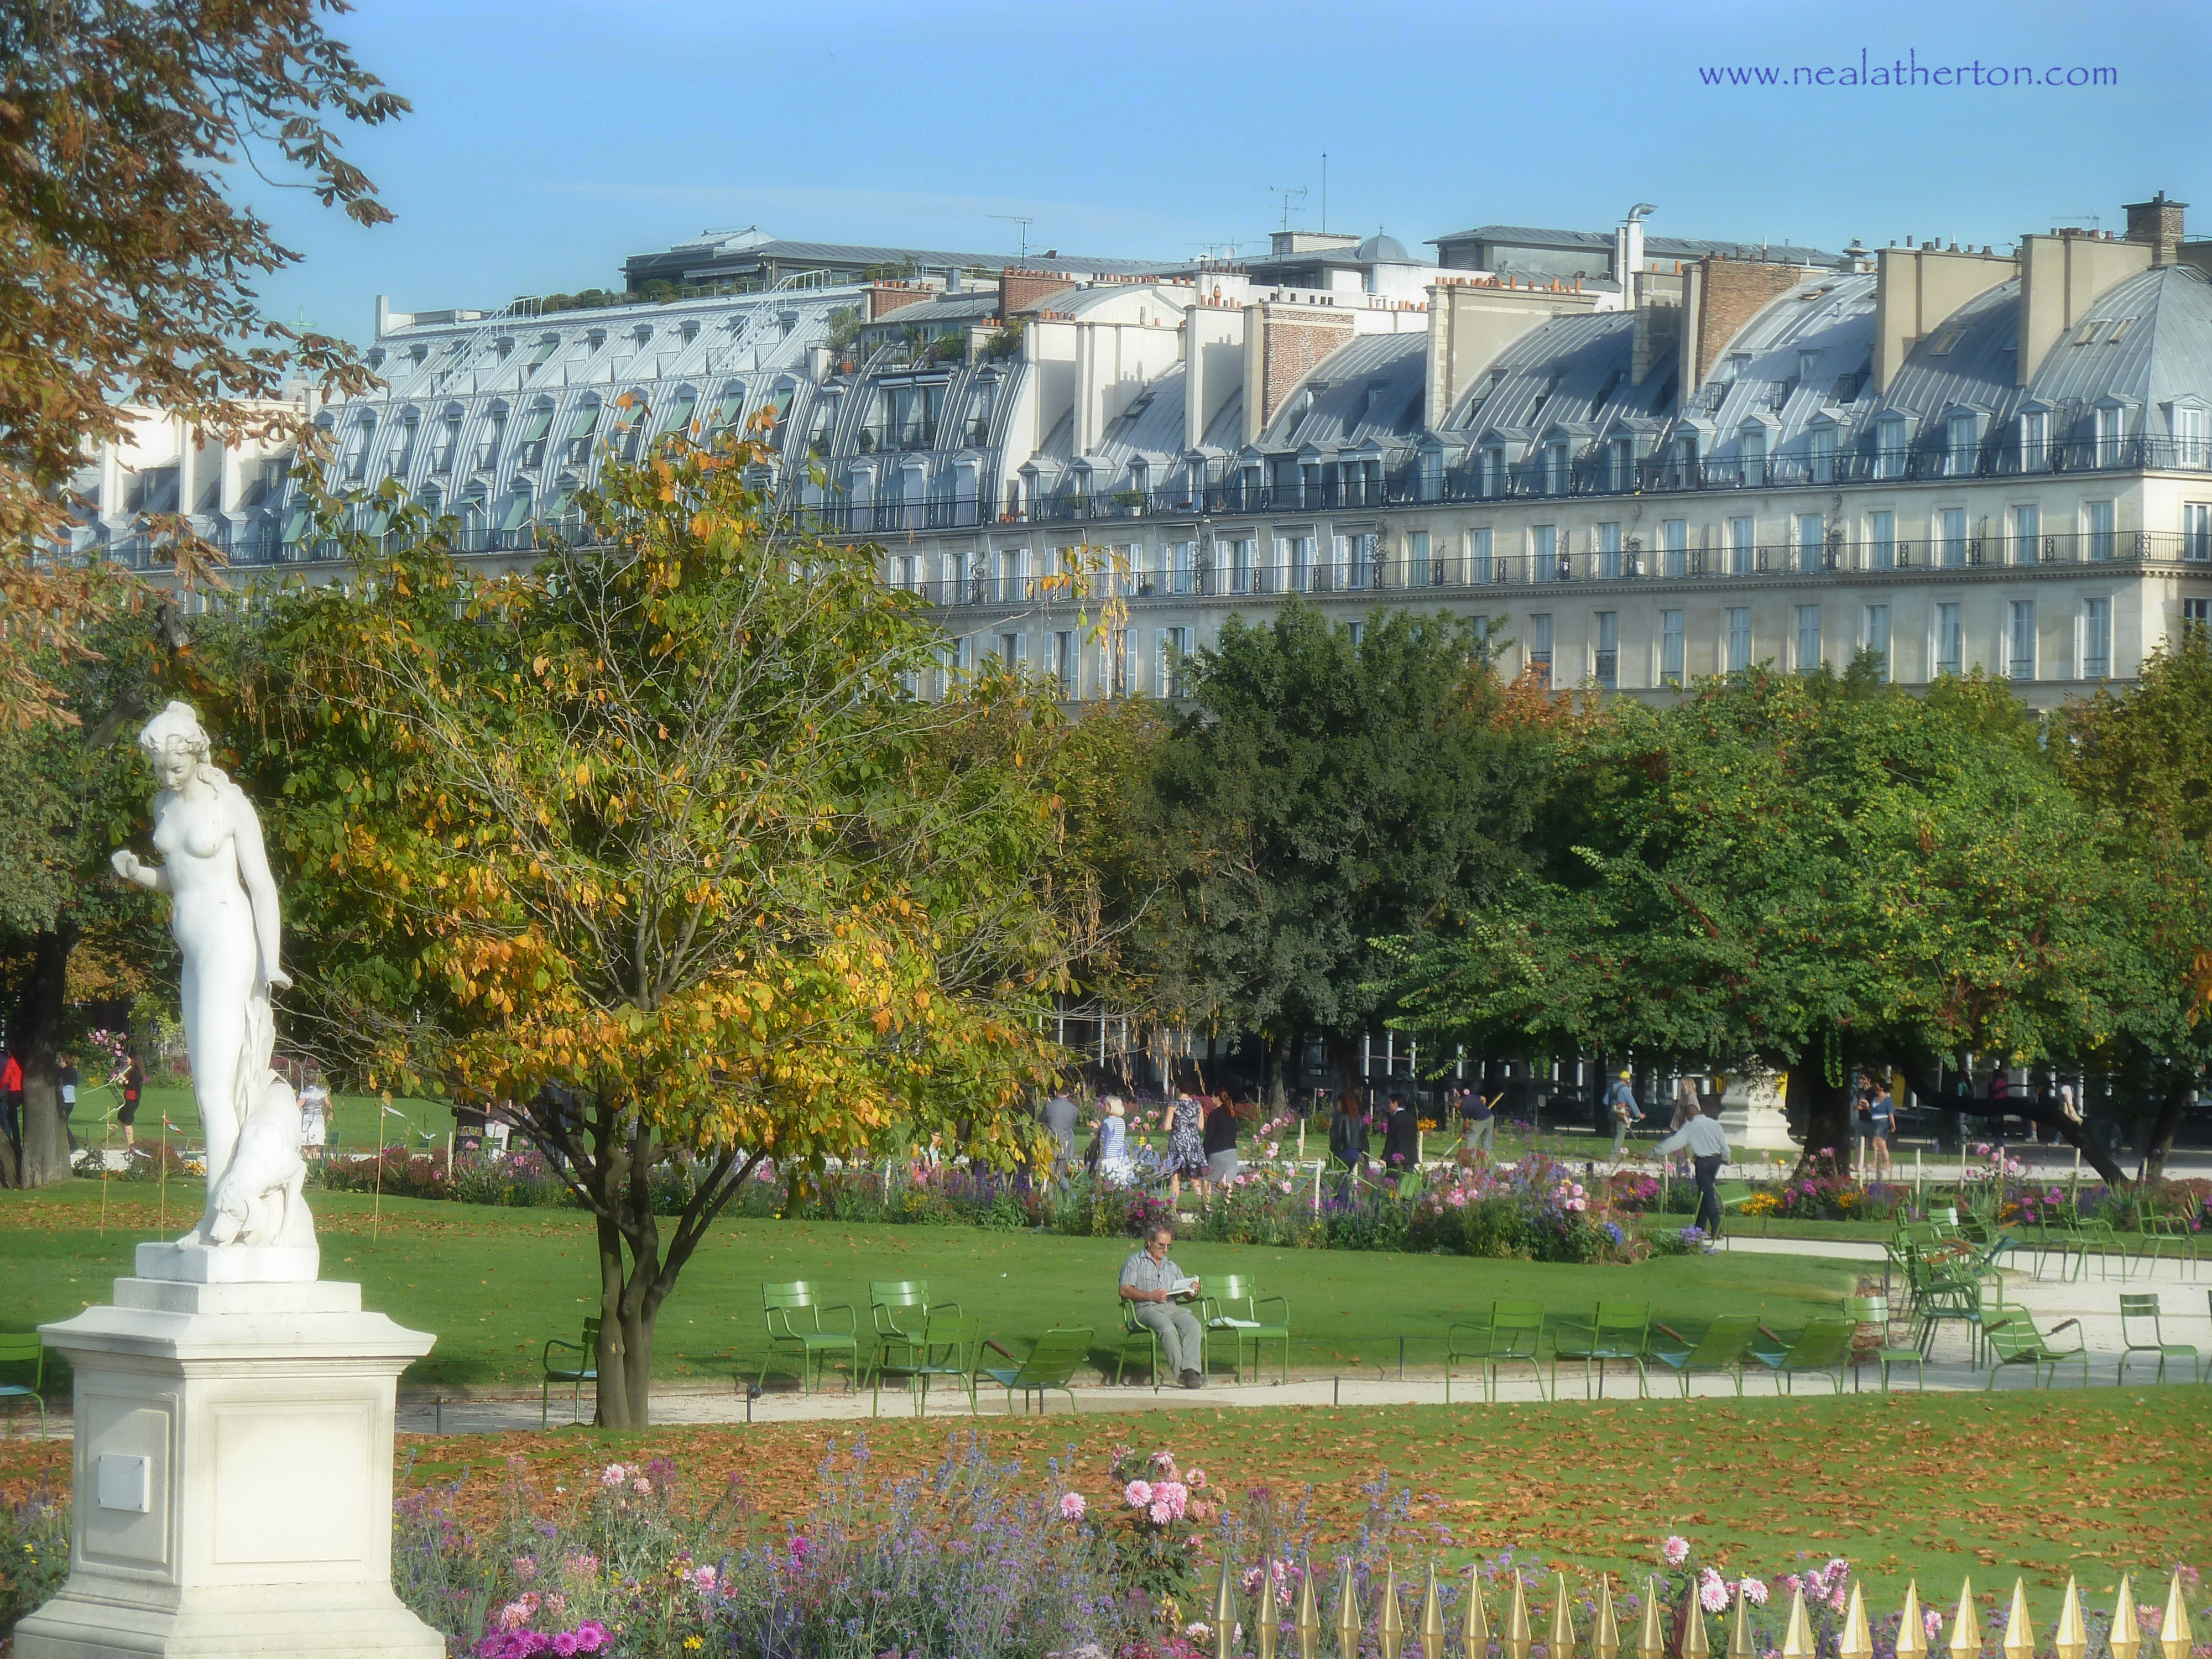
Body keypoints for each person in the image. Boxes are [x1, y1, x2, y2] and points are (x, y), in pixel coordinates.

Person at [1118, 1223, 1206, 1389]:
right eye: (1161, 1245)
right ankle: (1183, 1374)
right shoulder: (1134, 1262)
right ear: (1150, 1242)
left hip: (1172, 1307)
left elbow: (1184, 1294)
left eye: (1168, 1246)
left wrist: (1191, 1290)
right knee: (1166, 1327)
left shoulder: (1171, 1266)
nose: (1165, 1250)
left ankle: (1191, 1371)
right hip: (1146, 1308)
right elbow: (1124, 1290)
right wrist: (1151, 1296)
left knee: (1193, 1325)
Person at [1651, 1097, 1730, 1237]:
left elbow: (1674, 1143)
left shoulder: (1690, 1127)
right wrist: (1726, 1159)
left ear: (1689, 1116)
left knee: (1708, 1195)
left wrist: (1654, 1152)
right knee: (1703, 1194)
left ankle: (1717, 1230)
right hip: (1716, 1161)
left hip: (1703, 1162)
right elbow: (1724, 1146)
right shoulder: (1715, 1124)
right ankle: (1699, 1228)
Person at [1159, 1089, 1207, 1205]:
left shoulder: (1174, 1104)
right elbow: (1201, 1126)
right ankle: (1204, 1205)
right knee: (1194, 1176)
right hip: (1193, 1142)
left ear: (1179, 1090)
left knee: (1176, 1177)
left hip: (1178, 1142)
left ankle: (1173, 1208)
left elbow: (1167, 1126)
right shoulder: (1197, 1104)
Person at [1328, 1091, 1369, 1198]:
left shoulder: (1341, 1117)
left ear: (1343, 1103)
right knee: (1345, 1178)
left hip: (1344, 1151)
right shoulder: (1358, 1118)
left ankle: (1338, 1203)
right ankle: (1345, 1205)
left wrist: (1333, 1152)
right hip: (1355, 1152)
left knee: (1336, 1179)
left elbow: (1338, 1137)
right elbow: (1363, 1137)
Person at [1202, 1092, 1241, 1186]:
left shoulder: (1214, 1114)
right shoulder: (1231, 1114)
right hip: (1231, 1151)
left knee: (1208, 1179)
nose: (1211, 1099)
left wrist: (1205, 1152)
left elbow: (1209, 1135)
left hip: (1217, 1151)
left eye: (1213, 1097)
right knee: (1229, 1180)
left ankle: (1206, 1200)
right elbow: (1234, 1134)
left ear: (1218, 1098)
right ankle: (1228, 1201)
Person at [1043, 1085, 1080, 1183]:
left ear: (1056, 1092)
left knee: (1049, 1174)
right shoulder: (1074, 1110)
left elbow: (1040, 1122)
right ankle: (1065, 1196)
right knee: (1063, 1175)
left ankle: (1049, 1197)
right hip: (1066, 1144)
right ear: (1068, 1094)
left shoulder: (1049, 1106)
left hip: (1051, 1143)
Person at [1381, 1091, 1420, 1179]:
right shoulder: (1412, 1118)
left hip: (1396, 1157)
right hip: (1411, 1156)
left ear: (1396, 1104)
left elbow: (1391, 1139)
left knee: (1392, 1183)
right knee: (1406, 1183)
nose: (1389, 1106)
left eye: (1390, 1103)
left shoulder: (1394, 1119)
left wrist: (1384, 1157)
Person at [1094, 1096, 1133, 1183]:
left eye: (1106, 1105)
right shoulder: (1121, 1121)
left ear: (1111, 1107)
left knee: (1107, 1182)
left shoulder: (1107, 1122)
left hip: (1109, 1156)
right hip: (1120, 1155)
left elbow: (1104, 1140)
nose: (1104, 1106)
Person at [1606, 1069, 1642, 1160]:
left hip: (1612, 1113)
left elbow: (1605, 1101)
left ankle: (1617, 1156)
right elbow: (1632, 1103)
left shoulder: (1612, 1087)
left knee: (1615, 1135)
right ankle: (1613, 1157)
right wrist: (1639, 1114)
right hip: (1621, 1115)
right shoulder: (1625, 1089)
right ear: (1627, 1080)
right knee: (1620, 1136)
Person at [298, 1062, 330, 1161]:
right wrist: (329, 1112)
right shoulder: (322, 1091)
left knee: (306, 1144)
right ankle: (315, 1162)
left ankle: (308, 1162)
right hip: (319, 1119)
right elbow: (329, 1104)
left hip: (308, 1119)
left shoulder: (305, 1093)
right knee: (317, 1145)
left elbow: (297, 1106)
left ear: (306, 1081)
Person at [1458, 1084, 1495, 1162]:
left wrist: (1465, 1132)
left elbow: (1467, 1122)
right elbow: (1484, 1099)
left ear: (1457, 1104)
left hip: (1481, 1120)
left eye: (1455, 1107)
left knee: (1471, 1136)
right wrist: (1483, 1108)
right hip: (1490, 1116)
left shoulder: (1463, 1107)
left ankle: (1470, 1157)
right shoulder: (1471, 1096)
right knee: (1487, 1139)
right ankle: (1488, 1159)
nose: (1456, 1108)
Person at [1866, 1078, 1895, 1176]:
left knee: (1876, 1142)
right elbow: (1873, 1112)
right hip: (1875, 1122)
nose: (1876, 1090)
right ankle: (1885, 1164)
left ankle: (1877, 1163)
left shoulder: (1887, 1100)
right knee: (1881, 1144)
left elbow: (1890, 1114)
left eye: (1877, 1088)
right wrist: (1867, 1106)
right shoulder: (1875, 1099)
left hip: (1883, 1122)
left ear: (1882, 1088)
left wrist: (1893, 1125)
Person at [119, 1054, 144, 1148]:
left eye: (128, 1059)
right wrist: (122, 1082)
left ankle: (131, 1144)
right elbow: (128, 1084)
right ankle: (128, 1141)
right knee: (120, 1118)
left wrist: (124, 1079)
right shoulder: (131, 1071)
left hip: (133, 1099)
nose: (127, 1061)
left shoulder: (136, 1072)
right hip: (128, 1098)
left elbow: (133, 1085)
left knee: (127, 1121)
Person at [1, 1048, 22, 1154]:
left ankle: (13, 1142)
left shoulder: (11, 1063)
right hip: (19, 1091)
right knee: (13, 1118)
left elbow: (5, 1079)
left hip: (13, 1091)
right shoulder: (19, 1062)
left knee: (11, 1117)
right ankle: (17, 1142)